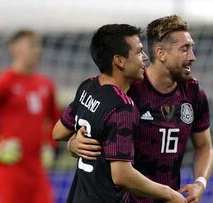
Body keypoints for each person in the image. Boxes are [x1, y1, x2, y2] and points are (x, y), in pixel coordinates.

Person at [69, 15, 213, 203]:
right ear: (161, 54)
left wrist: (200, 182)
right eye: (184, 49)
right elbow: (84, 124)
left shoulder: (194, 94)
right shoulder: (127, 90)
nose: (192, 57)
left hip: (170, 198)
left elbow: (204, 146)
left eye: (191, 48)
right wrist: (73, 143)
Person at [52, 24, 187, 203]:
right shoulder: (123, 108)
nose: (145, 57)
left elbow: (58, 132)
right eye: (139, 52)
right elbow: (122, 175)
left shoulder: (88, 87)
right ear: (119, 61)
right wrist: (168, 193)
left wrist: (72, 143)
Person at [0, 30, 59, 203]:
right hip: (10, 167)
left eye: (38, 45)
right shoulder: (4, 82)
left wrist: (50, 145)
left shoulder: (46, 84)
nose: (37, 50)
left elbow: (56, 119)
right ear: (15, 49)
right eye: (32, 45)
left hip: (37, 167)